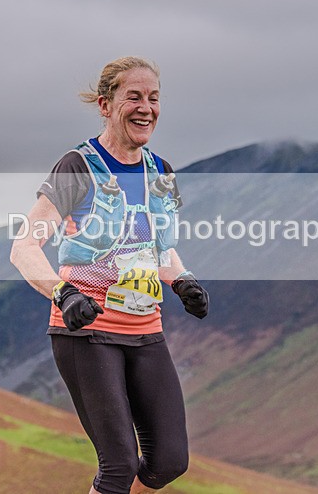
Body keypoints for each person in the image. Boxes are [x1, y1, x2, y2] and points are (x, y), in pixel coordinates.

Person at [11, 56, 209, 494]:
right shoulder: (77, 166)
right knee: (118, 465)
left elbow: (151, 243)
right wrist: (62, 294)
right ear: (105, 104)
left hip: (145, 329)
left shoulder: (161, 172)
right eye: (133, 97)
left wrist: (182, 280)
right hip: (86, 330)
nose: (146, 107)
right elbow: (24, 247)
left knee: (168, 463)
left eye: (154, 98)